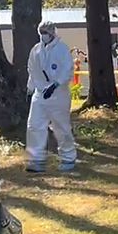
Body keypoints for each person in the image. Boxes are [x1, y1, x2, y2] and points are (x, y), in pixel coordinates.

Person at [26, 21, 77, 173]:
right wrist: (30, 90)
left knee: (61, 127)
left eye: (46, 32)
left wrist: (55, 85)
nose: (44, 35)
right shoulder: (36, 51)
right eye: (41, 32)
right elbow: (32, 71)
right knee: (34, 126)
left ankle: (68, 158)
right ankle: (36, 160)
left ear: (53, 33)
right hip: (40, 95)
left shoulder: (62, 50)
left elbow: (67, 70)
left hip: (58, 95)